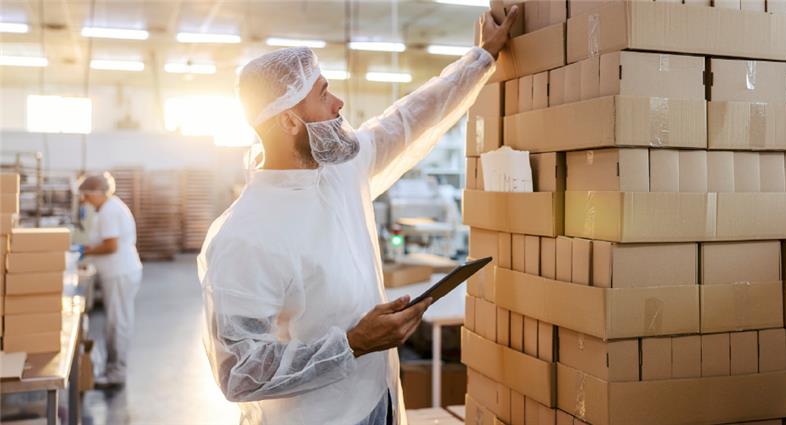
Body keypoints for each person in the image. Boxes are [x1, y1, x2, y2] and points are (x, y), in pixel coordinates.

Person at [197, 7, 518, 425]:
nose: (338, 103)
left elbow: (406, 120)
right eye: (322, 93)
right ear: (290, 120)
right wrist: (352, 343)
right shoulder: (247, 236)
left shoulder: (337, 173)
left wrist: (480, 59)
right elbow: (240, 370)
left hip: (377, 398)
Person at [78, 172, 143, 389]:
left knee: (118, 324)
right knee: (115, 323)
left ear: (97, 193)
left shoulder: (109, 211)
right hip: (118, 273)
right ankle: (113, 369)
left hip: (119, 273)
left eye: (86, 195)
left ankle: (116, 373)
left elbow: (111, 246)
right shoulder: (108, 208)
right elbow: (106, 241)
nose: (84, 200)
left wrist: (86, 251)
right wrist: (90, 251)